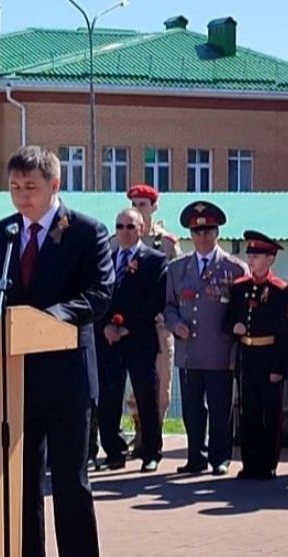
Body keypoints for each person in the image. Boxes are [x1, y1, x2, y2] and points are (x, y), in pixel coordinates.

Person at [0, 145, 110, 557]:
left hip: (67, 381)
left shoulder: (86, 232)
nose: (22, 197)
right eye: (15, 187)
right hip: (13, 382)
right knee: (20, 492)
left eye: (32, 188)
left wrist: (51, 317)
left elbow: (99, 294)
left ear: (55, 186)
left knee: (70, 489)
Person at [164, 201, 248, 476]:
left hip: (220, 350)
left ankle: (220, 457)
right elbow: (169, 306)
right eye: (197, 232)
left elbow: (244, 308)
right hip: (189, 352)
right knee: (191, 409)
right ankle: (195, 456)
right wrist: (175, 324)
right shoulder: (177, 269)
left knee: (220, 407)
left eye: (208, 231)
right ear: (190, 234)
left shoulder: (234, 268)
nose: (203, 236)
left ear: (217, 233)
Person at [96, 207, 168, 472]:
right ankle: (113, 452)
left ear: (142, 229)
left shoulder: (155, 260)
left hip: (139, 339)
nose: (124, 232)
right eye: (119, 226)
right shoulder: (106, 258)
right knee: (109, 398)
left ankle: (151, 452)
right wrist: (105, 327)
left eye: (130, 226)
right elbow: (98, 296)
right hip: (108, 341)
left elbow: (154, 301)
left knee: (146, 397)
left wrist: (126, 328)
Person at [225, 230, 288, 480]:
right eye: (250, 254)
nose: (251, 259)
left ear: (271, 259)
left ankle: (268, 464)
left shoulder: (280, 290)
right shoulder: (239, 288)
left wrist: (278, 368)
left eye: (258, 255)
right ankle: (250, 462)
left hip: (268, 356)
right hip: (247, 355)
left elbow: (284, 335)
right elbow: (228, 320)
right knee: (248, 411)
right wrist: (234, 328)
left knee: (270, 413)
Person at [124, 184, 181, 456]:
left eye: (143, 205)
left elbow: (177, 283)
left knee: (161, 385)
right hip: (130, 326)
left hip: (158, 325)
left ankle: (153, 438)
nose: (138, 209)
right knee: (134, 388)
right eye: (134, 204)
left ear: (154, 208)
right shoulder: (121, 238)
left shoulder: (165, 243)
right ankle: (139, 436)